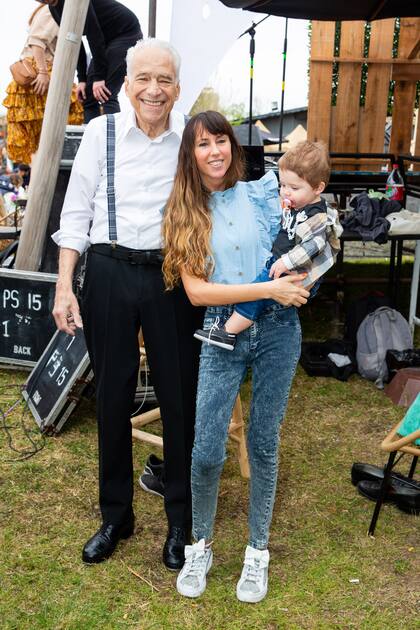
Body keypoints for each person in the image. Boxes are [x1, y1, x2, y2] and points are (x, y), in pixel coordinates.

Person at [52, 38, 203, 570]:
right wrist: (64, 285)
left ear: (177, 88)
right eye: (143, 78)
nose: (153, 90)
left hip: (171, 275)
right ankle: (116, 515)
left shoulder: (192, 137)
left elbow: (223, 199)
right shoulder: (100, 133)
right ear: (125, 85)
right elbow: (74, 216)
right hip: (110, 272)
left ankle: (180, 519)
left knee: (179, 396)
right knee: (112, 396)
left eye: (164, 80)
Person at [162, 111, 310, 603]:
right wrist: (268, 287)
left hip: (278, 331)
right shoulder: (186, 212)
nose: (215, 151)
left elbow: (307, 202)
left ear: (233, 145)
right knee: (206, 450)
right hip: (219, 332)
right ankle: (199, 544)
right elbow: (198, 293)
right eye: (203, 144)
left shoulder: (263, 191)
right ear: (192, 154)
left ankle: (256, 553)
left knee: (264, 445)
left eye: (221, 140)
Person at [194, 140, 343, 350]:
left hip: (292, 266)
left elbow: (314, 245)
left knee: (257, 295)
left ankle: (227, 332)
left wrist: (286, 261)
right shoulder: (298, 205)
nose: (285, 192)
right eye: (282, 185)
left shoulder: (317, 215)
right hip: (282, 262)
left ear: (318, 188)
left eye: (294, 187)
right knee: (260, 294)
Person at [2, 2, 83, 164]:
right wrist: (43, 72)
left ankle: (40, 178)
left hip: (38, 73)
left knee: (40, 136)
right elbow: (37, 42)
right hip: (39, 74)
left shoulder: (52, 10)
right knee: (66, 118)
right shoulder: (51, 11)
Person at [48, 0, 142, 123]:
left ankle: (112, 139)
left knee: (105, 91)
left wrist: (98, 77)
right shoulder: (53, 8)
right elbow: (75, 40)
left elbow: (94, 35)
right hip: (106, 40)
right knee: (88, 94)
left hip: (126, 34)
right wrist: (82, 79)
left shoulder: (76, 2)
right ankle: (93, 138)